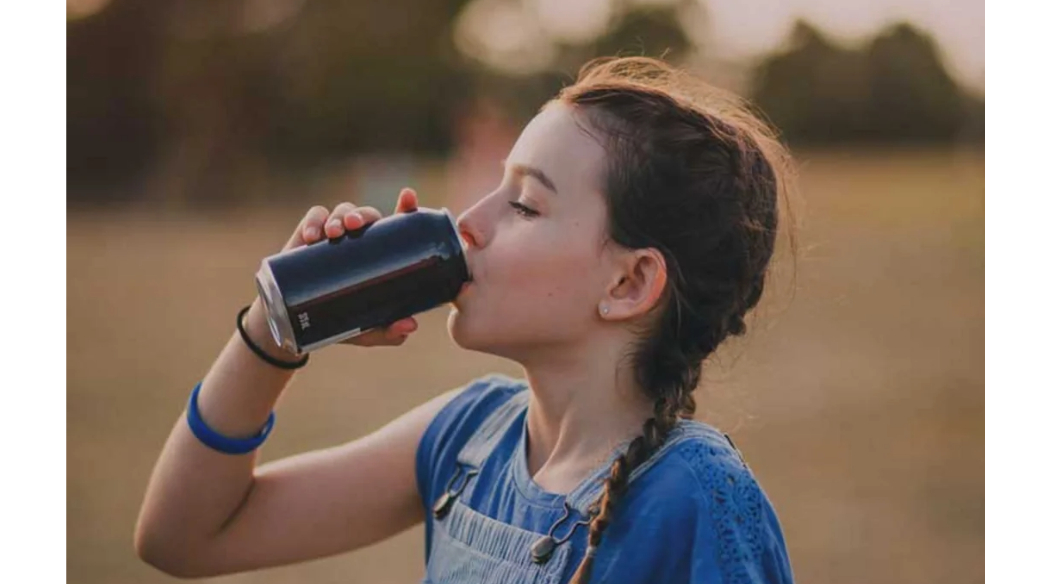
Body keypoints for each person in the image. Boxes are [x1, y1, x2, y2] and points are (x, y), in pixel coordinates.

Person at [134, 56, 798, 584]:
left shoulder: (694, 498)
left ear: (628, 282)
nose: (468, 225)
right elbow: (185, 537)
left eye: (525, 205)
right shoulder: (468, 435)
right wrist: (273, 330)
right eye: (493, 188)